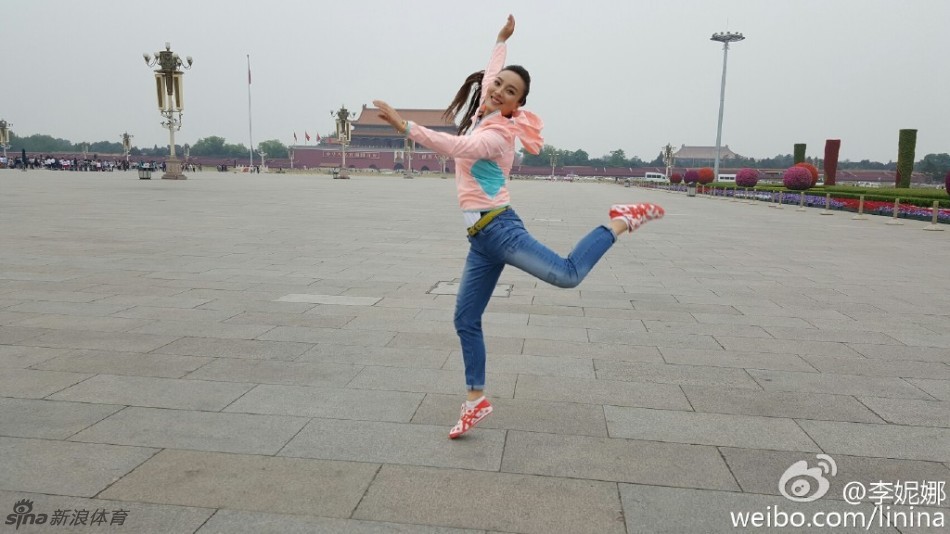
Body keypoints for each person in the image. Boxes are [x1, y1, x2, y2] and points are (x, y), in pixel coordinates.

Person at [373, 14, 664, 439]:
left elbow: (456, 146)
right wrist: (500, 40)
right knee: (465, 318)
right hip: (481, 240)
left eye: (510, 91)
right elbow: (491, 74)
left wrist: (406, 126)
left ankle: (620, 221)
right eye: (498, 85)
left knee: (567, 274)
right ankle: (475, 400)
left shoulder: (496, 135)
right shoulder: (485, 110)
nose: (498, 90)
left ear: (516, 106)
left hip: (501, 231)